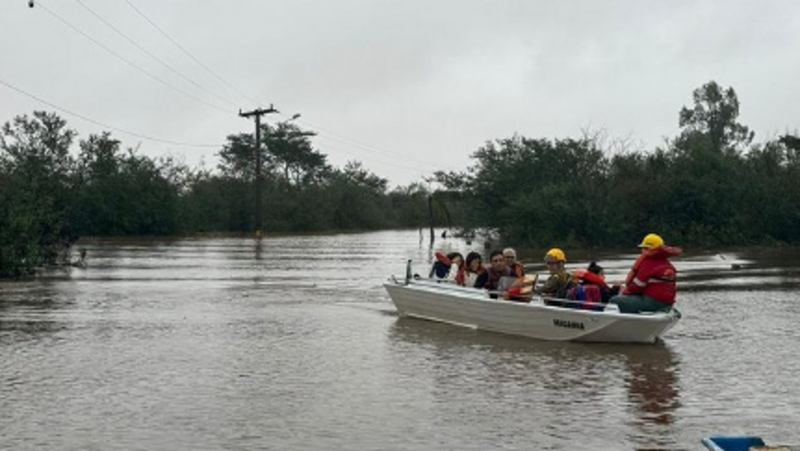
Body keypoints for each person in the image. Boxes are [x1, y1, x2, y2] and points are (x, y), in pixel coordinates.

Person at [609, 233, 682, 314]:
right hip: (666, 304)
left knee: (615, 300)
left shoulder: (648, 264)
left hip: (653, 302)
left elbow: (636, 287)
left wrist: (623, 293)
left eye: (644, 248)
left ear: (648, 249)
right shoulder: (666, 264)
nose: (642, 250)